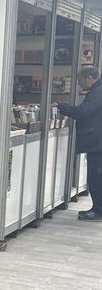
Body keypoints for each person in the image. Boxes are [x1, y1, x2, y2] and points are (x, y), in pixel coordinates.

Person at [59, 65, 102, 219]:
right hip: (97, 141)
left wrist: (62, 107)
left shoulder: (97, 92)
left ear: (89, 78)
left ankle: (98, 210)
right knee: (96, 176)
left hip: (97, 143)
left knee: (95, 177)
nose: (79, 84)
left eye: (80, 80)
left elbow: (82, 112)